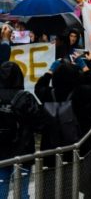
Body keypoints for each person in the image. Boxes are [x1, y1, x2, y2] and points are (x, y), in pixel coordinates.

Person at [35, 59, 91, 199]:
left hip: (51, 148)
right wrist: (85, 66)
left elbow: (38, 87)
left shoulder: (48, 94)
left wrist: (50, 71)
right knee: (76, 183)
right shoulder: (81, 94)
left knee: (53, 185)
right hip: (79, 148)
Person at [0, 62, 44, 199]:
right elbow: (39, 124)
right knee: (22, 190)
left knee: (1, 185)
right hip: (23, 148)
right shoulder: (25, 97)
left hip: (1, 149)